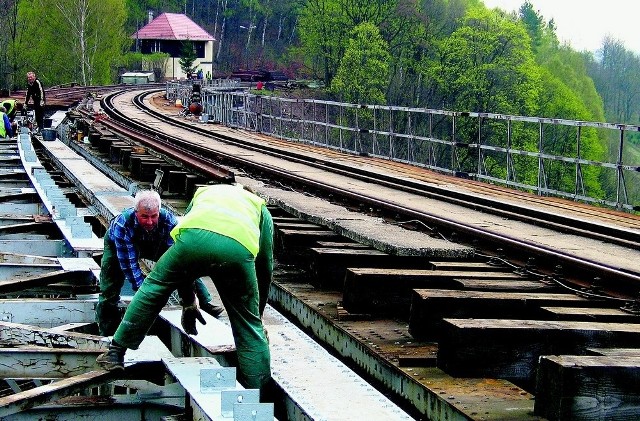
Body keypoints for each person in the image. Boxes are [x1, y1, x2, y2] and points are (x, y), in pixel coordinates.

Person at [97, 183, 274, 391]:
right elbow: (264, 265)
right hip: (236, 251)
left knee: (153, 287)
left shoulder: (205, 192)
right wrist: (257, 315)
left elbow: (185, 234)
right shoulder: (259, 207)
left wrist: (188, 300)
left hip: (191, 242)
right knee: (248, 326)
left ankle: (115, 352)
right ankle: (256, 393)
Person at [95, 189, 224, 337]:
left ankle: (205, 303)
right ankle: (107, 331)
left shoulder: (169, 221)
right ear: (136, 212)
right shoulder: (122, 225)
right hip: (119, 245)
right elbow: (130, 266)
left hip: (157, 241)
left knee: (187, 265)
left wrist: (188, 297)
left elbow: (178, 261)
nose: (149, 222)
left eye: (153, 216)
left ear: (159, 211)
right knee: (109, 287)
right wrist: (145, 295)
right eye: (144, 216)